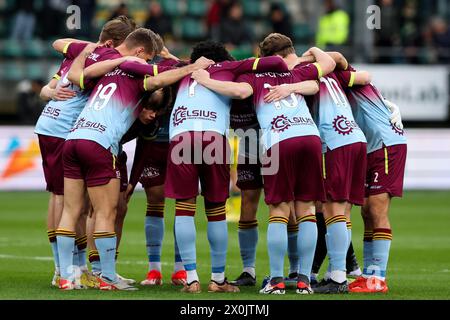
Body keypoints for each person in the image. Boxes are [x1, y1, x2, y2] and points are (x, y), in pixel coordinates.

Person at [55, 28, 213, 291]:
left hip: (73, 139)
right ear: (141, 53)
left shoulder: (104, 66)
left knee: (71, 211)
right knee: (106, 212)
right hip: (99, 143)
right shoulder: (138, 72)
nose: (149, 62)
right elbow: (161, 78)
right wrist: (192, 67)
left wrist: (84, 50)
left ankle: (64, 276)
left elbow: (68, 58)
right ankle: (107, 277)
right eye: (149, 58)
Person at [191, 33, 336, 294]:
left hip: (280, 139)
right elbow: (317, 83)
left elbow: (238, 91)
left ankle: (277, 280)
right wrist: (293, 84)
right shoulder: (296, 71)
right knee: (306, 211)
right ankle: (304, 280)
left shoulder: (253, 76)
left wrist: (206, 80)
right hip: (310, 137)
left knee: (279, 211)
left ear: (261, 58)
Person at [163, 40, 293, 294]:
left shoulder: (181, 70)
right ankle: (218, 279)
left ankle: (190, 279)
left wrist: (178, 60)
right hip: (212, 137)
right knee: (216, 211)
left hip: (180, 136)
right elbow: (277, 62)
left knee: (184, 209)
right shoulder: (230, 66)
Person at [35, 16, 137, 288]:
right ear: (113, 43)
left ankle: (76, 266)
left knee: (67, 201)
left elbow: (58, 54)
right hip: (62, 128)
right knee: (65, 200)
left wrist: (48, 90)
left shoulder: (81, 53)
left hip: (53, 125)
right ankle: (63, 270)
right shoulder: (105, 56)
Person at [266, 51, 370, 294]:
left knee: (330, 209)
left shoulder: (302, 78)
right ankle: (343, 269)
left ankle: (337, 277)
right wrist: (314, 52)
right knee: (342, 211)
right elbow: (363, 74)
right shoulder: (335, 75)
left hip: (333, 141)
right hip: (356, 138)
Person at [338, 63, 407, 293]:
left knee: (377, 209)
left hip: (386, 144)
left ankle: (378, 278)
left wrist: (310, 57)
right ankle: (368, 275)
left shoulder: (346, 76)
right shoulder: (340, 83)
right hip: (371, 147)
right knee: (366, 210)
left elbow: (337, 57)